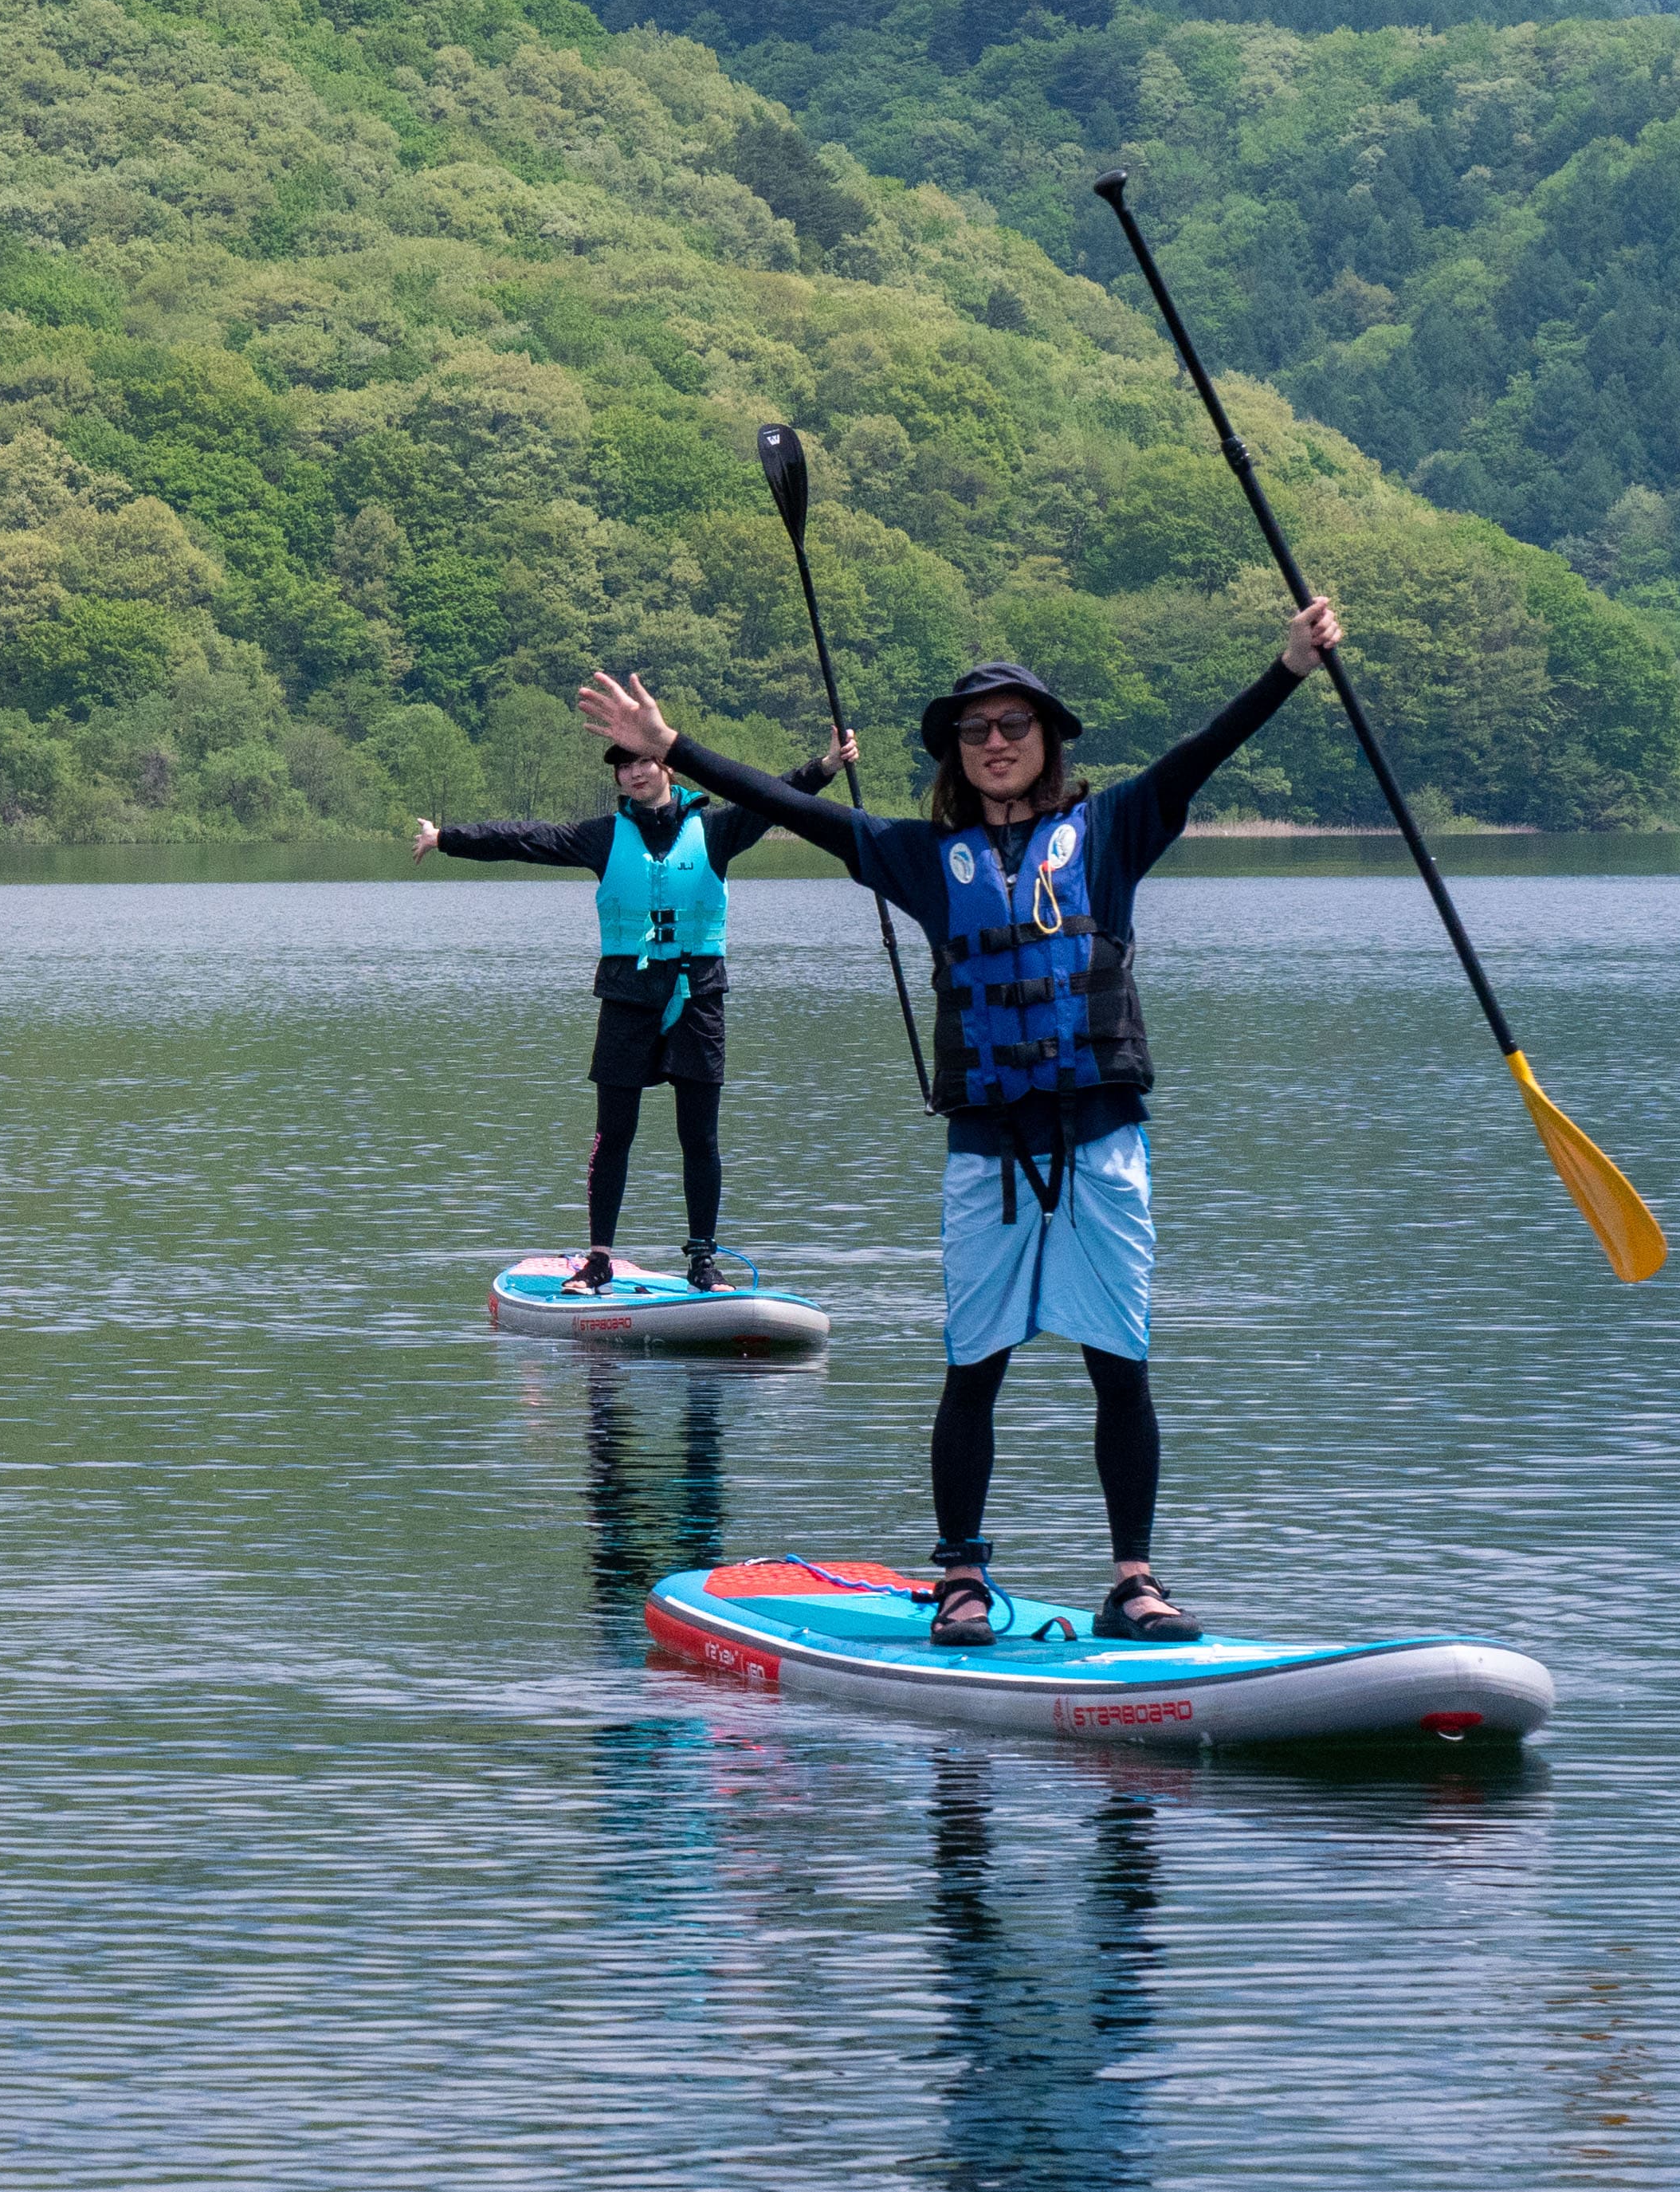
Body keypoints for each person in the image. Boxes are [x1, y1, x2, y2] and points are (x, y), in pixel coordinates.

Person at [574, 591, 1340, 1646]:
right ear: (953, 750)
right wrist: (675, 747)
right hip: (985, 1155)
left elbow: (1197, 756)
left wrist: (1289, 667)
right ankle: (961, 1577)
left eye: (1014, 725)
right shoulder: (924, 861)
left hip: (1103, 1147)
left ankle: (1133, 1579)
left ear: (1048, 741)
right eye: (975, 730)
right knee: (971, 1367)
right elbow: (795, 810)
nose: (994, 742)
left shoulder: (1110, 830)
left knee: (1119, 1363)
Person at [409, 715, 853, 1294]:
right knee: (612, 1135)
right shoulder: (600, 837)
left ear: (665, 765)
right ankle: (598, 1261)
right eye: (624, 766)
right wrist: (446, 838)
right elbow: (523, 838)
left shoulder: (717, 831)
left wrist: (824, 767)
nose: (635, 771)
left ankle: (702, 1260)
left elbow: (774, 798)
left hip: (698, 999)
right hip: (626, 999)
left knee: (700, 1138)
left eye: (643, 760)